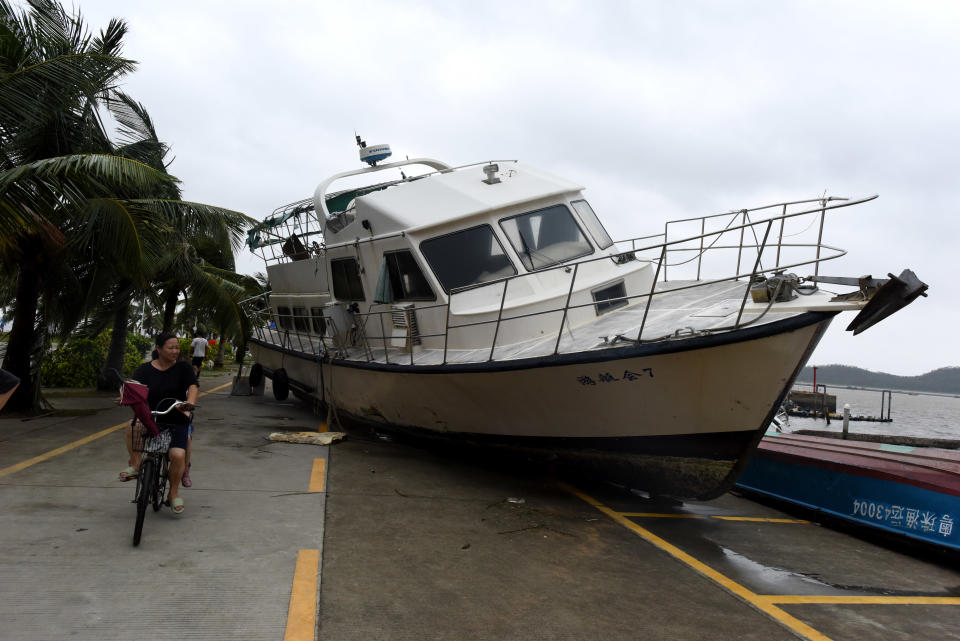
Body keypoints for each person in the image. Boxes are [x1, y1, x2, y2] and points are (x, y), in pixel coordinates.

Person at [120, 332, 198, 515]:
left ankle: (173, 493)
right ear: (159, 349)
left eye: (177, 347)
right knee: (131, 426)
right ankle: (137, 465)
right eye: (171, 347)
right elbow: (133, 388)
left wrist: (190, 404)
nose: (175, 351)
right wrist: (124, 397)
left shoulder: (183, 368)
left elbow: (193, 387)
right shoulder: (144, 370)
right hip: (152, 417)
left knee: (177, 455)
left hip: (176, 419)